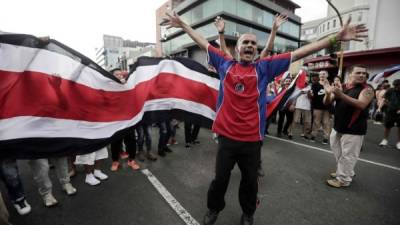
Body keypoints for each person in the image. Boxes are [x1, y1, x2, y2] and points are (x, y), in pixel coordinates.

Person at [165, 11, 367, 225]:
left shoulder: (264, 67)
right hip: (226, 138)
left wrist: (335, 38)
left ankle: (248, 213)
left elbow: (299, 53)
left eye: (254, 43)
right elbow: (202, 42)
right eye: (246, 42)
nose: (250, 45)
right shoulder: (225, 64)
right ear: (237, 49)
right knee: (220, 180)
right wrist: (182, 24)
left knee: (250, 182)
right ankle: (214, 209)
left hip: (252, 140)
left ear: (257, 50)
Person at [323, 65, 374, 188]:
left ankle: (343, 179)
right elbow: (327, 102)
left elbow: (362, 104)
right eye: (358, 73)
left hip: (354, 129)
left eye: (364, 73)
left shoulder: (368, 89)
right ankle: (346, 171)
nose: (362, 75)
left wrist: (340, 95)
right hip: (338, 126)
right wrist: (328, 93)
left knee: (348, 155)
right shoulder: (344, 87)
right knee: (338, 151)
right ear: (350, 74)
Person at [310, 70, 332, 144]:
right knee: (316, 122)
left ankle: (326, 138)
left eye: (324, 74)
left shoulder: (330, 84)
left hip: (327, 108)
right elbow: (312, 95)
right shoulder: (315, 84)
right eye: (320, 74)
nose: (322, 75)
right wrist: (310, 94)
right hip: (317, 107)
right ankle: (313, 135)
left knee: (326, 123)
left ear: (327, 75)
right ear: (319, 76)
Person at [378, 79, 400, 150]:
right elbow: (385, 100)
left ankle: (399, 142)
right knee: (388, 126)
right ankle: (385, 140)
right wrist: (379, 108)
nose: (397, 87)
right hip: (390, 111)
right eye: (395, 86)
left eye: (398, 86)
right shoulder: (390, 90)